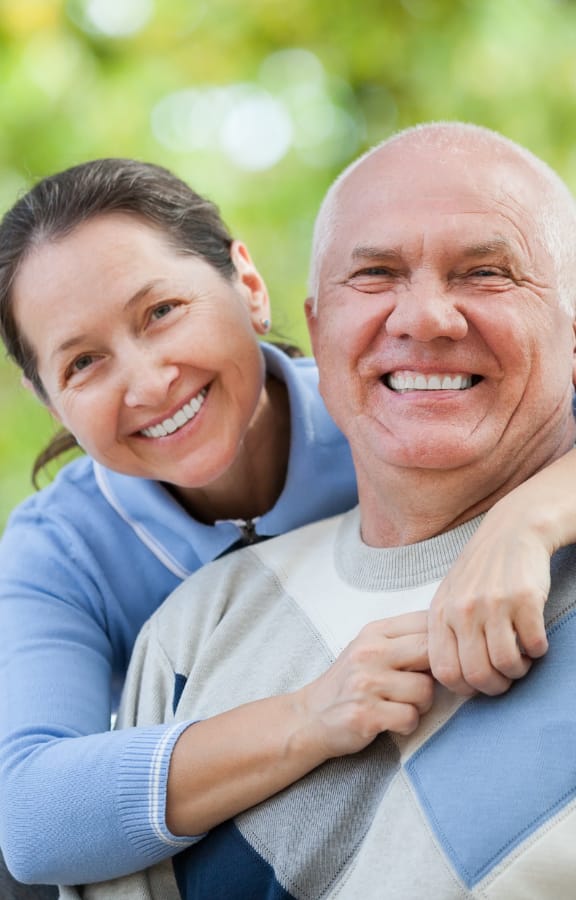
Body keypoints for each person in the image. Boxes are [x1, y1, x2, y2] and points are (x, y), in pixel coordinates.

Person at [0, 153, 574, 897]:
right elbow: (33, 817)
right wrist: (310, 715)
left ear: (248, 285)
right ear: (47, 398)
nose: (148, 382)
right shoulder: (62, 548)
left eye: (162, 312)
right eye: (83, 363)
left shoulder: (391, 403)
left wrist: (528, 520)